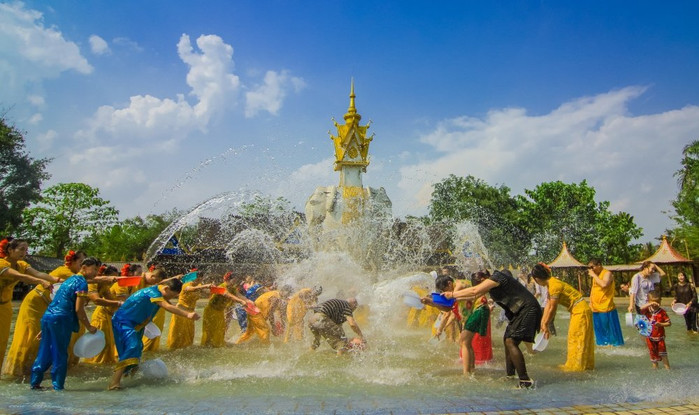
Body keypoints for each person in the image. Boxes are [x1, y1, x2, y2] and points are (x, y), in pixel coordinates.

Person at [444, 269, 540, 388]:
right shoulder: (492, 287)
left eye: (480, 285)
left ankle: (525, 381)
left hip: (527, 308)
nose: (481, 288)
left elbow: (474, 291)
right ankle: (510, 375)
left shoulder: (497, 277)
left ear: (484, 280)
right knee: (507, 340)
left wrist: (452, 294)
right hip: (519, 311)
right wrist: (437, 301)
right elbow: (471, 296)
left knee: (511, 341)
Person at [3, 249, 85, 378]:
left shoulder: (75, 275)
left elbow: (38, 273)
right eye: (81, 262)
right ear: (72, 262)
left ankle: (35, 370)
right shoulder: (65, 272)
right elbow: (89, 281)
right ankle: (18, 371)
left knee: (44, 337)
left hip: (48, 306)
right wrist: (114, 278)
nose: (83, 266)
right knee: (31, 336)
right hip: (34, 304)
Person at [109, 278, 200, 390]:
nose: (170, 299)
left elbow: (167, 305)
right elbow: (167, 306)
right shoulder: (153, 293)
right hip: (123, 322)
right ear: (166, 288)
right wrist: (188, 315)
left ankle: (130, 377)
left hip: (137, 324)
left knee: (138, 349)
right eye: (171, 296)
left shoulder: (159, 292)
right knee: (132, 347)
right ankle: (114, 383)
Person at [30, 257, 100, 391]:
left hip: (48, 317)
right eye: (94, 269)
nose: (96, 272)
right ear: (84, 267)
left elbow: (56, 301)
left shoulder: (69, 280)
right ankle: (58, 386)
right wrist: (89, 326)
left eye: (97, 270)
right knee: (60, 353)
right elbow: (79, 309)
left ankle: (35, 383)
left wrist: (46, 327)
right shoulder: (82, 284)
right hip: (61, 319)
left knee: (44, 351)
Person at [0, 238, 58, 371]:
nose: (24, 253)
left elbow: (39, 273)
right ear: (10, 250)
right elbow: (20, 277)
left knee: (2, 342)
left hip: (5, 307)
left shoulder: (21, 264)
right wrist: (40, 281)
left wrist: (57, 280)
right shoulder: (2, 263)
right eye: (21, 249)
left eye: (26, 250)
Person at [531, 263, 595, 372]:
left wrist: (546, 323)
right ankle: (580, 365)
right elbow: (548, 305)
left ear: (537, 279)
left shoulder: (554, 286)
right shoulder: (551, 284)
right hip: (578, 310)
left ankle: (577, 367)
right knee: (574, 337)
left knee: (577, 337)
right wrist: (543, 323)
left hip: (580, 311)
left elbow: (553, 308)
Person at [83, 265, 122, 365]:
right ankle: (94, 363)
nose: (114, 282)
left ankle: (105, 363)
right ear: (105, 276)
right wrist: (119, 303)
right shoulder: (93, 284)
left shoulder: (104, 286)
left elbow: (112, 299)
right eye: (112, 278)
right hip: (100, 316)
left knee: (109, 343)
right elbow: (97, 300)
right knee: (101, 342)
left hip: (108, 316)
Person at [201, 272, 251, 347]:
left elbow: (239, 295)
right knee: (210, 330)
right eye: (234, 280)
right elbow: (227, 294)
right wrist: (240, 301)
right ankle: (207, 346)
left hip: (220, 312)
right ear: (228, 279)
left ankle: (217, 345)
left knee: (220, 330)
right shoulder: (221, 287)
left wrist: (249, 301)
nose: (236, 281)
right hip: (211, 311)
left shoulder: (232, 288)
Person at [167, 271, 211, 350]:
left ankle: (185, 350)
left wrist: (214, 289)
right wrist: (204, 286)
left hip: (190, 313)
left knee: (189, 334)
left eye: (200, 279)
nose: (198, 280)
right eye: (196, 278)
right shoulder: (186, 285)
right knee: (177, 333)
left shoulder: (199, 285)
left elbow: (207, 292)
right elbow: (190, 289)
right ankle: (172, 350)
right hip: (180, 312)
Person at [587, 259, 624, 346]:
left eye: (592, 267)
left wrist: (593, 275)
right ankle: (602, 345)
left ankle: (614, 345)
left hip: (606, 307)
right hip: (595, 307)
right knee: (599, 329)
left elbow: (604, 284)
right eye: (589, 268)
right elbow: (594, 289)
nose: (591, 270)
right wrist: (590, 302)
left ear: (599, 265)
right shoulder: (596, 275)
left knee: (608, 328)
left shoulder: (607, 273)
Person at [640, 292, 671, 369]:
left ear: (660, 301)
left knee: (663, 354)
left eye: (657, 302)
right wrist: (650, 304)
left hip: (659, 337)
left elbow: (669, 323)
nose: (655, 304)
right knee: (652, 354)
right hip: (650, 337)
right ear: (649, 301)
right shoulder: (647, 310)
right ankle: (655, 369)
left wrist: (661, 324)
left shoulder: (662, 312)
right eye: (653, 302)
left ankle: (667, 369)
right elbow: (640, 309)